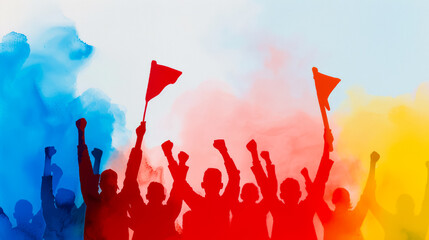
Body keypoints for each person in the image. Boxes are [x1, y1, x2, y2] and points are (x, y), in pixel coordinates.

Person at [254, 129, 334, 240]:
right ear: (299, 193)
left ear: (282, 195)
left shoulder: (279, 211)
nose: (290, 194)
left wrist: (255, 156)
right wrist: (326, 146)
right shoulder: (305, 209)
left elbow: (265, 187)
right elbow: (320, 180)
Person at [76, 118, 145, 240]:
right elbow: (85, 170)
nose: (109, 185)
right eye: (106, 181)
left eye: (111, 182)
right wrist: (81, 134)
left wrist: (139, 139)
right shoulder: (93, 201)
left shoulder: (119, 202)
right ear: (101, 184)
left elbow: (131, 175)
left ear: (115, 185)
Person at [307, 151, 378, 240]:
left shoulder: (328, 217)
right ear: (348, 201)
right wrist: (373, 164)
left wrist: (308, 181)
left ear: (334, 200)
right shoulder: (354, 218)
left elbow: (315, 197)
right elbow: (367, 194)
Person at [180, 139, 240, 240]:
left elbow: (181, 184)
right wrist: (224, 151)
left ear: (203, 185)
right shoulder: (224, 203)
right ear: (221, 185)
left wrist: (181, 162)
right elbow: (235, 177)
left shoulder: (197, 203)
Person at [129, 140, 188, 240]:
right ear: (164, 197)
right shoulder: (169, 213)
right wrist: (178, 161)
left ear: (147, 196)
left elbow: (130, 182)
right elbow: (178, 188)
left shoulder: (141, 212)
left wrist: (139, 138)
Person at [41, 146, 102, 240]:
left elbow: (46, 193)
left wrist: (48, 159)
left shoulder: (53, 216)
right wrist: (97, 161)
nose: (57, 196)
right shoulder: (79, 216)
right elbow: (91, 194)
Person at [369, 160, 429, 240]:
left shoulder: (391, 222)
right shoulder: (419, 222)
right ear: (413, 207)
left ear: (397, 207)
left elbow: (371, 202)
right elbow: (427, 200)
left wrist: (372, 165)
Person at [229, 139, 273, 240]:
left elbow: (233, 186)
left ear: (241, 195)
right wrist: (256, 155)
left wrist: (254, 154)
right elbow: (269, 189)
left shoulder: (237, 208)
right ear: (257, 196)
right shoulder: (260, 209)